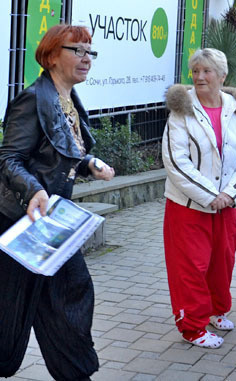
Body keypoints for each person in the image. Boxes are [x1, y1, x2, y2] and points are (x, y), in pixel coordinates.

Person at [0, 25, 115, 380]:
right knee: (10, 307)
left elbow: (58, 151)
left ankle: (75, 372)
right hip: (19, 223)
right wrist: (33, 190)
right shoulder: (34, 99)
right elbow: (9, 157)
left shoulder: (67, 100)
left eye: (90, 51)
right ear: (51, 56)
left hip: (51, 223)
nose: (86, 58)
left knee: (69, 294)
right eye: (77, 50)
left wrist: (88, 163)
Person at [162, 48, 236, 348]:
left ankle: (216, 310)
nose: (200, 77)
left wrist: (228, 194)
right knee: (190, 267)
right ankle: (193, 327)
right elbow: (176, 161)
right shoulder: (181, 110)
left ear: (222, 76)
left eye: (207, 71)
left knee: (222, 262)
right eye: (196, 71)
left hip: (226, 206)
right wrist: (211, 195)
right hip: (188, 207)